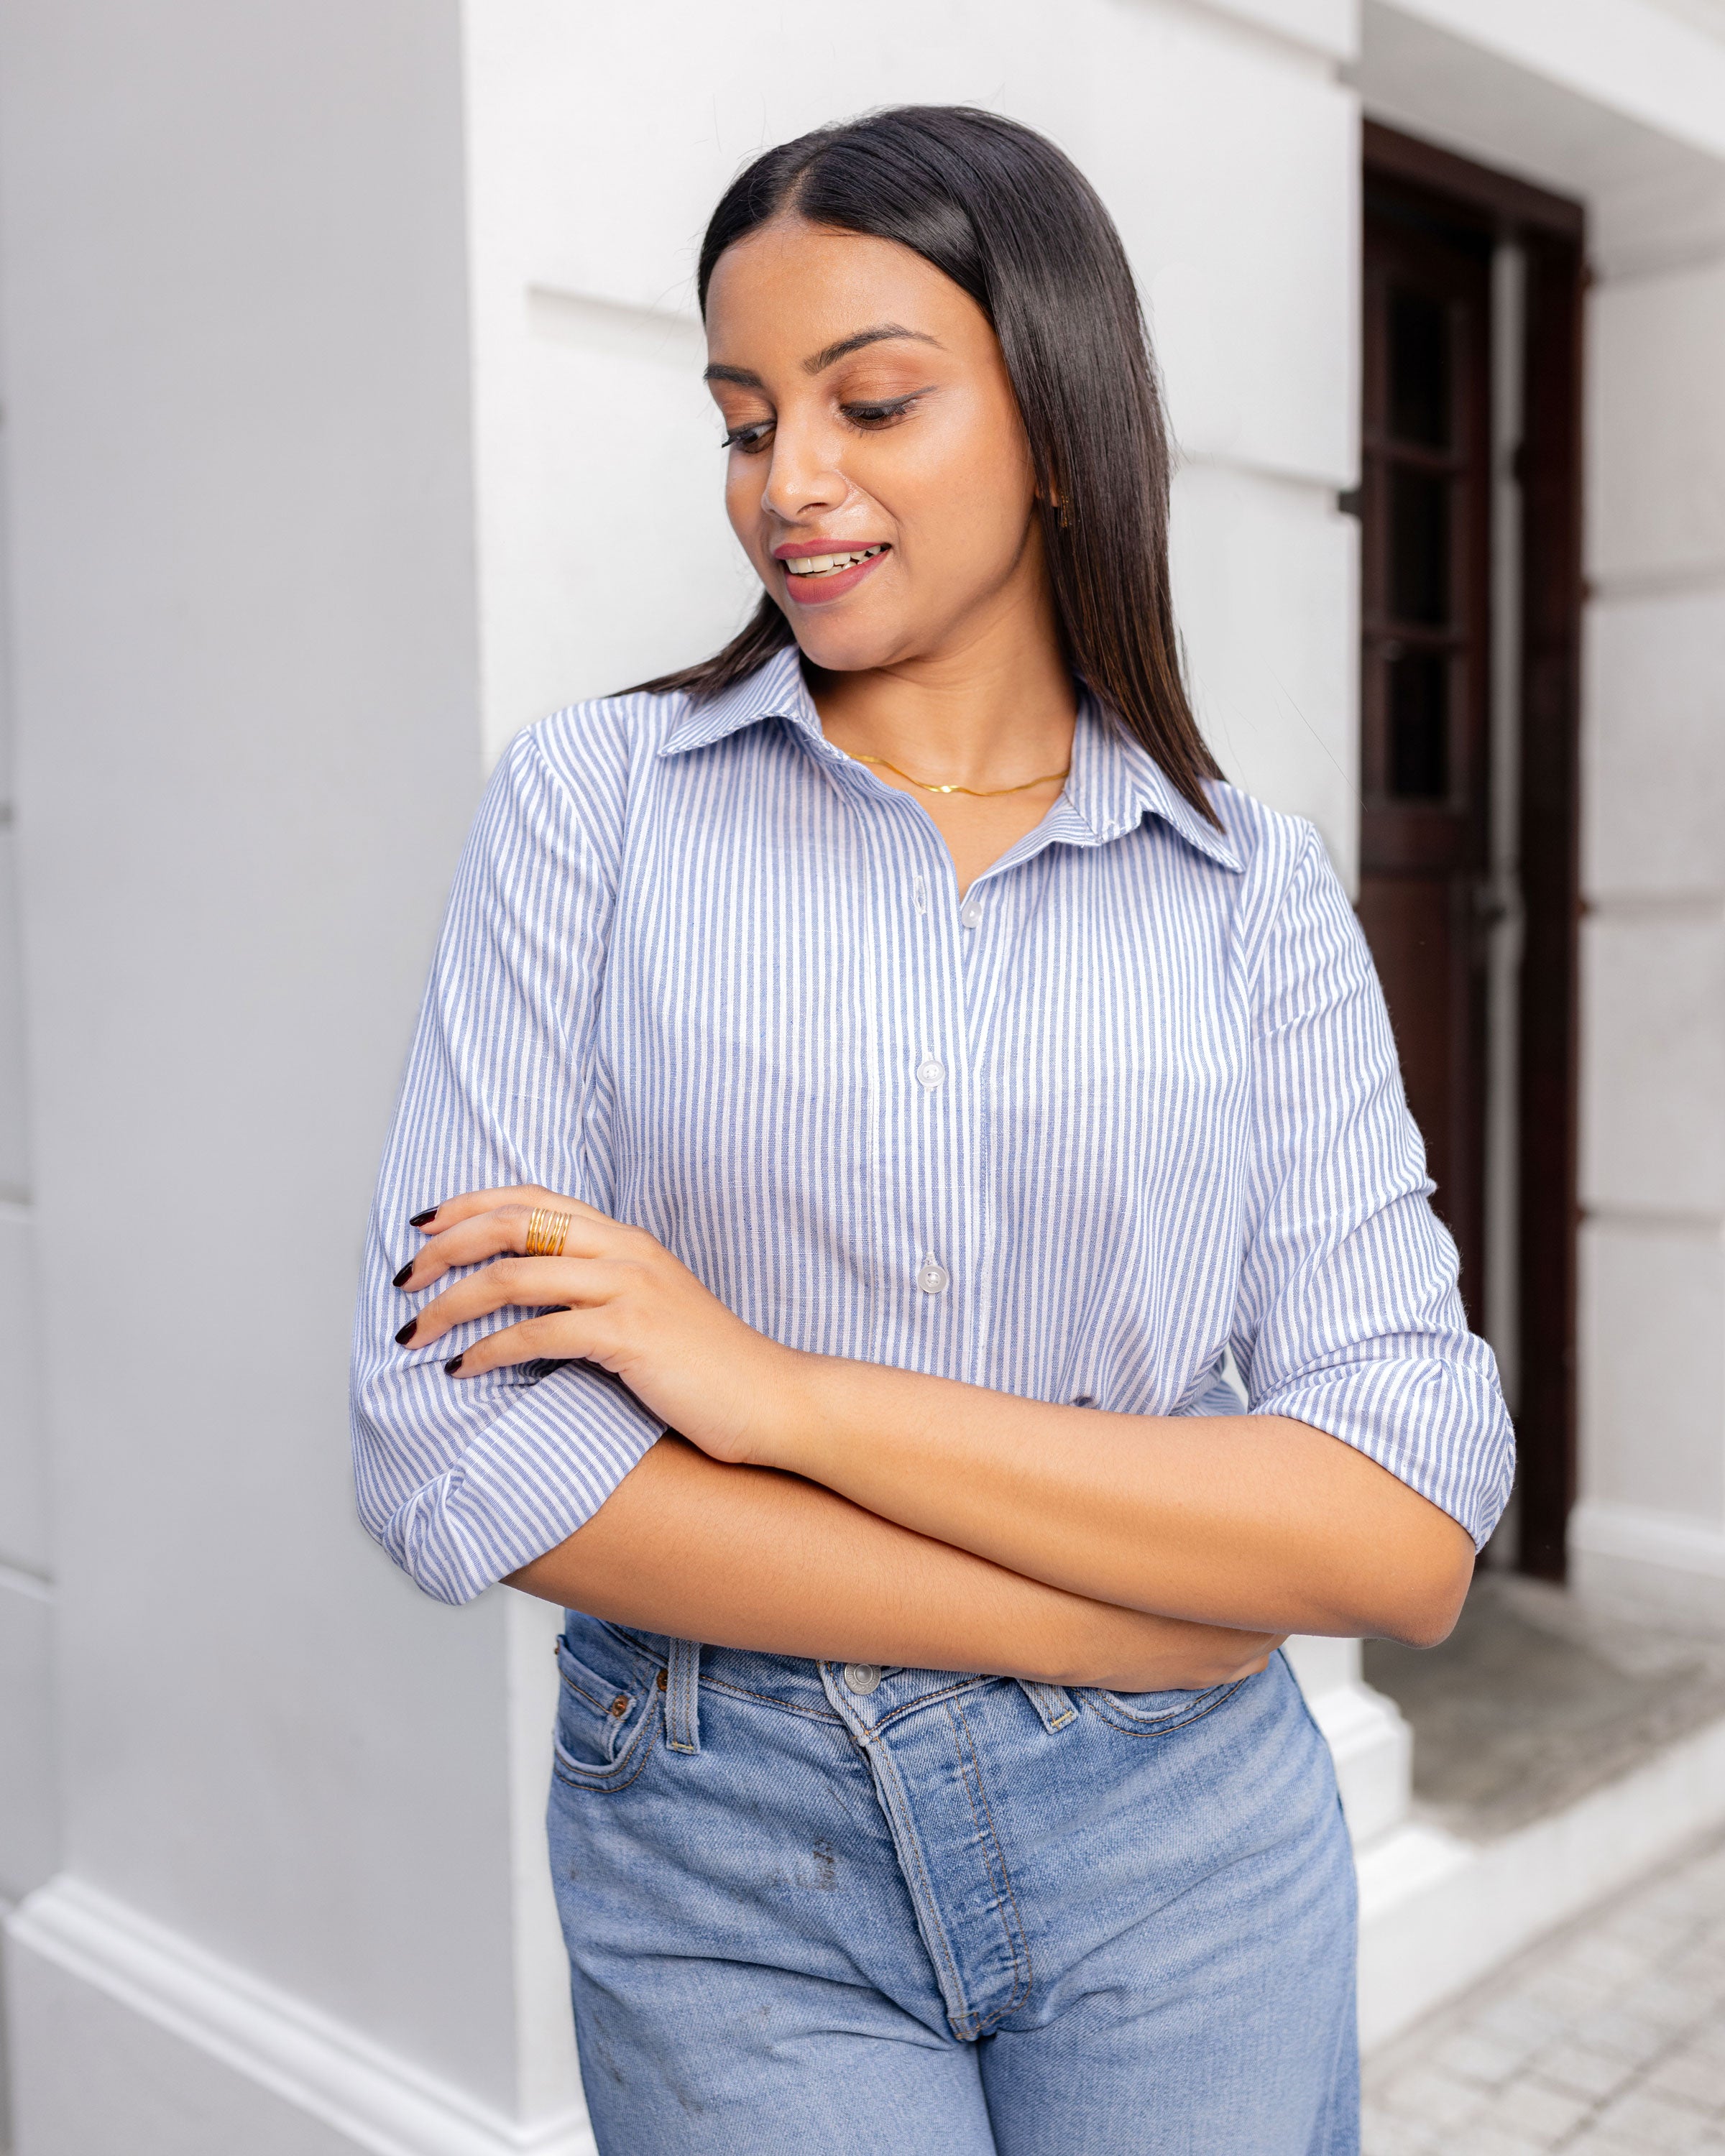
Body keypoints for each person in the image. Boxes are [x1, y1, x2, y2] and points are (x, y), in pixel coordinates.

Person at [351, 105, 1512, 2156]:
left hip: (1189, 1861)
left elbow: (1406, 1514)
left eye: (870, 402)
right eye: (742, 420)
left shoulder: (1254, 893)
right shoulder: (591, 812)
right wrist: (1126, 1612)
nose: (788, 483)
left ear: (1054, 421)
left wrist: (772, 1395)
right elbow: (463, 1448)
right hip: (728, 1847)